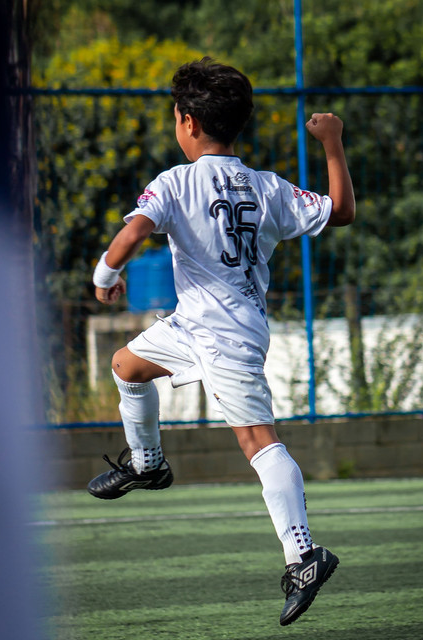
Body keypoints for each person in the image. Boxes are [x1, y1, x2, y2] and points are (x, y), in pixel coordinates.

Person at [87, 57, 355, 626]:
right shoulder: (268, 187)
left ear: (187, 121)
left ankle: (304, 555)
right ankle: (148, 463)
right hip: (195, 325)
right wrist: (332, 143)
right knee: (126, 365)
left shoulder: (174, 183)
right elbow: (341, 211)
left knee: (259, 443)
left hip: (227, 339)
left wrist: (105, 274)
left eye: (175, 117)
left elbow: (134, 231)